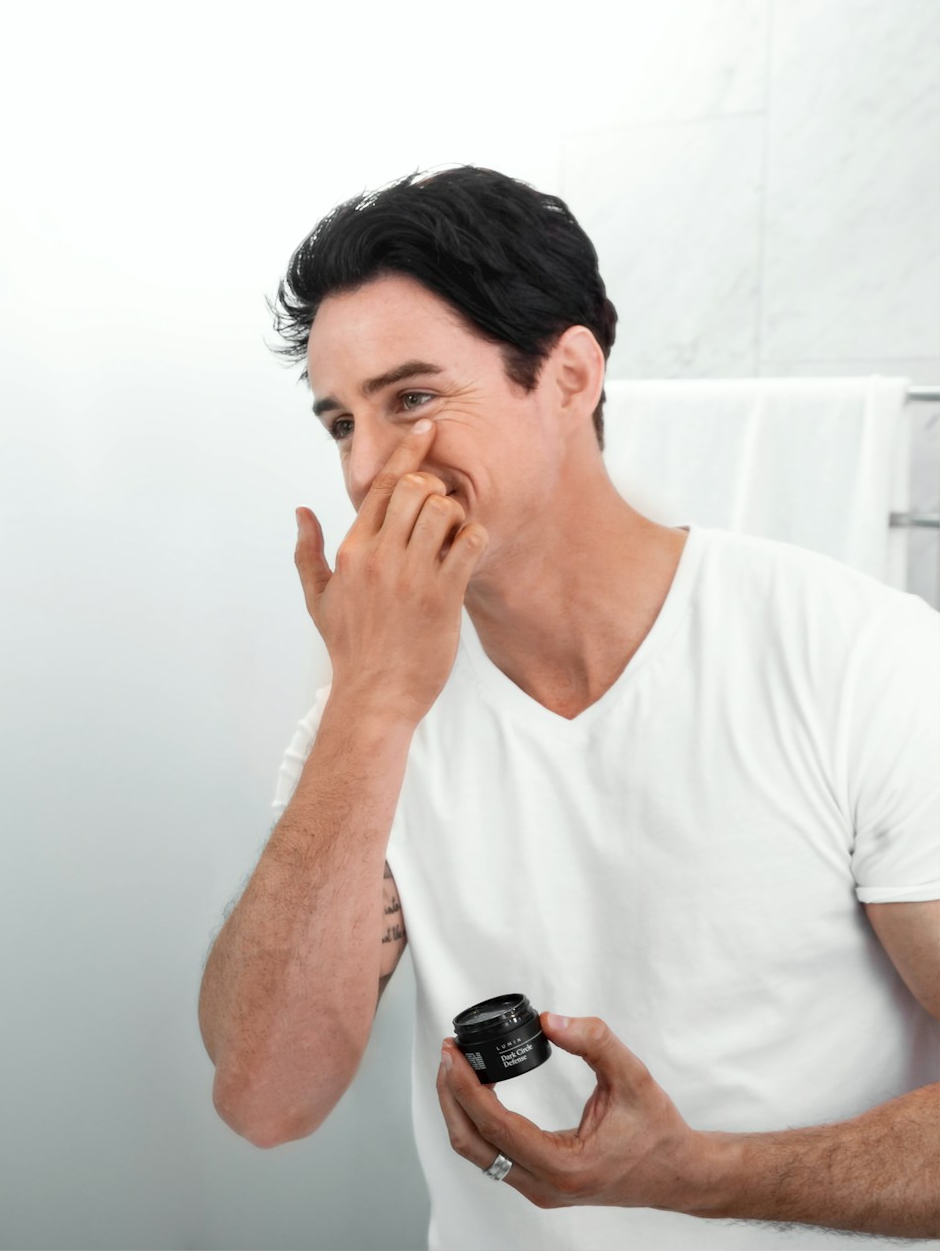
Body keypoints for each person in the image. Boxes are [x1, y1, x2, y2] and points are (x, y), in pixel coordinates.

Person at [198, 166, 940, 1248]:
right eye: (339, 424)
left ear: (570, 376)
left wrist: (696, 1177)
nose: (370, 470)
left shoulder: (853, 658)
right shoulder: (377, 703)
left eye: (411, 398)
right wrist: (369, 703)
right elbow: (265, 1097)